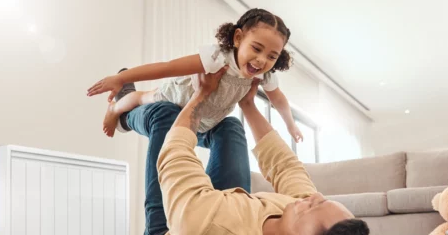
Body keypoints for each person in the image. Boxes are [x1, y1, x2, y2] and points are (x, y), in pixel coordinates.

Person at [137, 67, 370, 235]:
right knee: (230, 126)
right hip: (224, 208)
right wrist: (248, 103)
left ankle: (123, 115)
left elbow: (175, 155)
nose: (313, 197)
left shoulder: (204, 230)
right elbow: (286, 166)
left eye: (312, 206)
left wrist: (201, 94)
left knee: (165, 115)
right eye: (321, 200)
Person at [86, 8, 303, 143]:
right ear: (238, 38)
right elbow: (167, 67)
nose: (262, 60)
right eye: (256, 49)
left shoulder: (264, 76)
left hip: (203, 117)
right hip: (177, 97)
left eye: (272, 56)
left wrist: (290, 125)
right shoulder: (218, 57)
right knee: (142, 97)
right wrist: (121, 79)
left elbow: (279, 100)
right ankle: (115, 108)